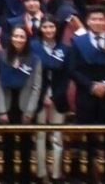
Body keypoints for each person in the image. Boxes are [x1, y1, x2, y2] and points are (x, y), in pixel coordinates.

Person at [68, 6, 105, 184]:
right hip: (86, 95)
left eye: (101, 19)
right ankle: (86, 173)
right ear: (88, 21)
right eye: (94, 19)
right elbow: (73, 70)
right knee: (87, 134)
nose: (98, 22)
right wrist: (91, 86)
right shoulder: (78, 42)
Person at [0, 25, 42, 184]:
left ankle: (25, 179)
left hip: (25, 109)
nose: (18, 39)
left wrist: (30, 111)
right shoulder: (2, 56)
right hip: (8, 108)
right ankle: (8, 179)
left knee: (25, 148)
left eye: (22, 36)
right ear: (11, 38)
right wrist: (2, 110)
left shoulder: (34, 59)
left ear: (26, 39)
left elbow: (36, 87)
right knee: (8, 148)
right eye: (15, 36)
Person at [33, 17, 69, 184]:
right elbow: (33, 76)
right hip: (38, 98)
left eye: (51, 26)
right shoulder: (34, 47)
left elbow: (66, 77)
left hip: (58, 98)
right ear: (41, 29)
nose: (48, 30)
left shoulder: (65, 49)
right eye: (45, 27)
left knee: (57, 137)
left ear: (56, 28)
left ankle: (55, 174)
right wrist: (43, 96)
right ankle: (42, 174)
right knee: (40, 136)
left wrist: (54, 96)